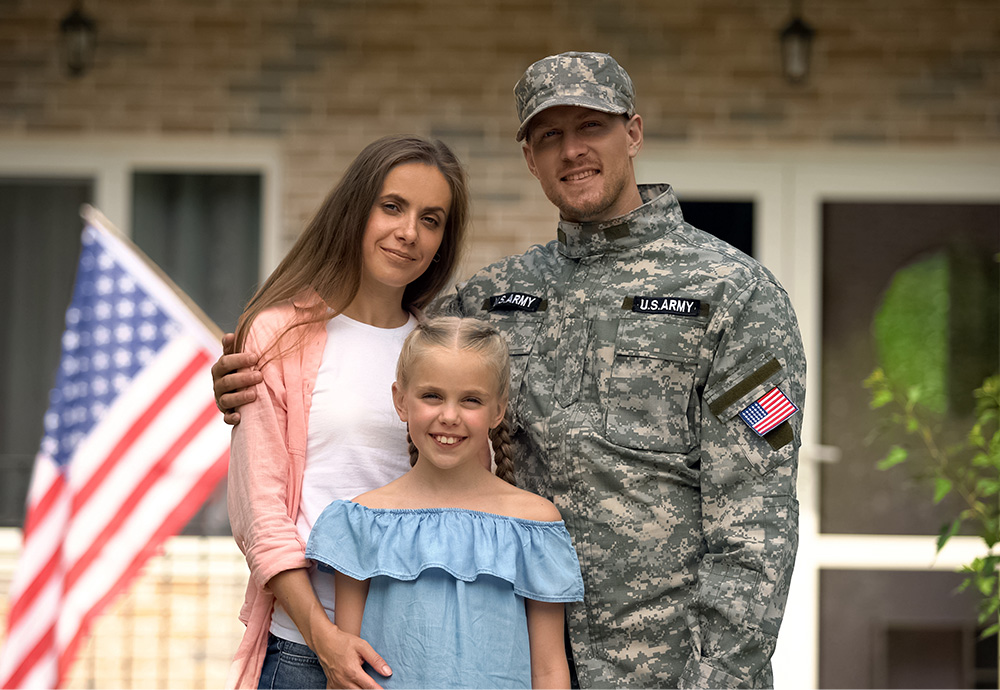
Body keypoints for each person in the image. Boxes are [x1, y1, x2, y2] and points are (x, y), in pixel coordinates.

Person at [215, 52, 806, 689]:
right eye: (550, 135)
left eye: (592, 127)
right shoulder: (492, 299)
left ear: (633, 133)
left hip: (661, 668)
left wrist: (719, 681)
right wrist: (246, 379)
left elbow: (756, 525)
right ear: (530, 158)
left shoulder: (737, 297)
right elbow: (380, 350)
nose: (572, 150)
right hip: (503, 659)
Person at [224, 134, 470, 690]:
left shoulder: (440, 351)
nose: (409, 232)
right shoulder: (279, 336)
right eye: (392, 207)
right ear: (355, 209)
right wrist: (325, 639)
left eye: (431, 220)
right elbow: (261, 517)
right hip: (304, 653)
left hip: (422, 647)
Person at [305, 317, 584, 689]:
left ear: (497, 410)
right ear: (401, 400)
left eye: (471, 400)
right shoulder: (363, 521)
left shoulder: (533, 525)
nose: (449, 416)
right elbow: (346, 672)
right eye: (432, 396)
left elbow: (549, 671)